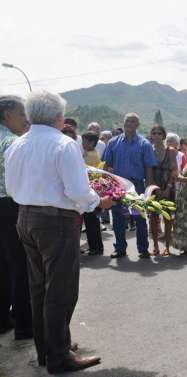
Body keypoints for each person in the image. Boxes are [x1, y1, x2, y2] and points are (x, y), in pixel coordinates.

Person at [5, 90, 114, 373]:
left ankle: (48, 349)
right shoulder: (63, 144)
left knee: (39, 288)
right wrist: (98, 202)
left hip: (25, 217)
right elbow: (78, 191)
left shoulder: (17, 145)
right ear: (58, 116)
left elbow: (11, 187)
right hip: (56, 221)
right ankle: (58, 355)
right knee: (61, 290)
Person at [102, 113, 157, 259]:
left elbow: (148, 167)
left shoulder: (144, 144)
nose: (129, 124)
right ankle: (120, 248)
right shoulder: (113, 142)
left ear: (137, 125)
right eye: (127, 121)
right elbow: (107, 165)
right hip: (117, 185)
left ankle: (143, 249)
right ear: (123, 123)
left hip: (137, 185)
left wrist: (149, 188)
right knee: (118, 218)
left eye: (133, 122)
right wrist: (106, 186)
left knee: (139, 218)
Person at [0, 95, 32, 340]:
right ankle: (24, 324)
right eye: (22, 114)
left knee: (3, 264)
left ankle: (3, 319)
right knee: (21, 264)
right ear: (7, 115)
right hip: (10, 205)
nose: (25, 119)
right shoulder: (12, 142)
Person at [148, 125, 178, 256]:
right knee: (153, 219)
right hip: (153, 188)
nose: (156, 135)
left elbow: (174, 171)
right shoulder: (148, 150)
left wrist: (169, 188)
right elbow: (148, 172)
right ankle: (155, 246)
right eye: (153, 133)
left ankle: (167, 246)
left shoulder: (170, 151)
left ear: (163, 135)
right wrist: (156, 189)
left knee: (168, 219)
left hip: (168, 188)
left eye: (159, 133)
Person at [81, 131, 104, 256]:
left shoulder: (90, 156)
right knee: (91, 221)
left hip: (91, 191)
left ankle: (96, 248)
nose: (83, 143)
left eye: (85, 141)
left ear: (92, 143)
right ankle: (95, 247)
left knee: (91, 222)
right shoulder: (91, 153)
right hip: (92, 191)